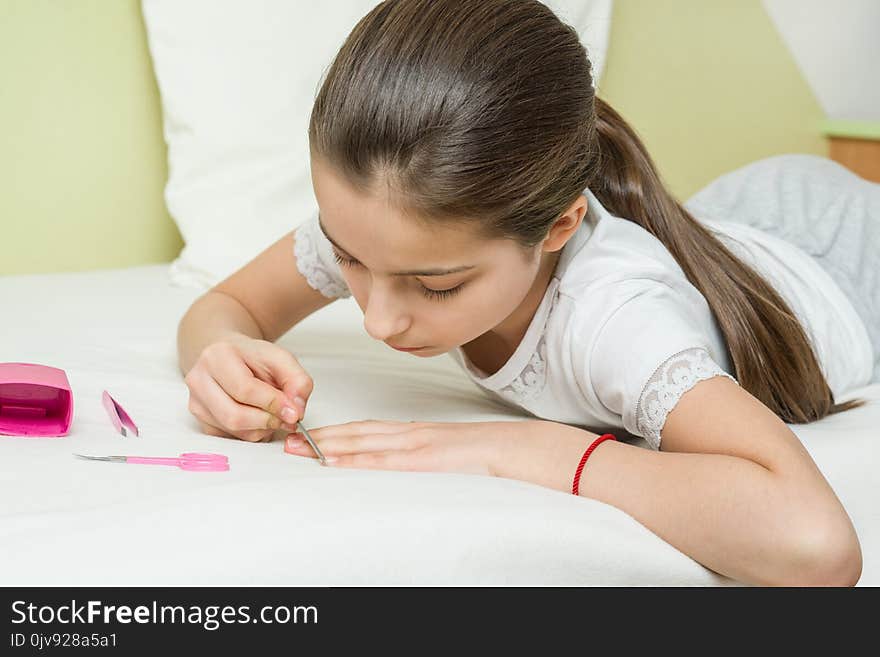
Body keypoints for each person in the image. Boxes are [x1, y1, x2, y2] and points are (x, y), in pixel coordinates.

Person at [177, 0, 875, 586]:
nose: (379, 320)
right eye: (349, 258)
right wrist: (222, 356)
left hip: (847, 257)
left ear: (560, 224)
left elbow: (818, 544)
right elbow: (225, 307)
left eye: (436, 285)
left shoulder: (615, 320)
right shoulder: (393, 227)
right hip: (739, 227)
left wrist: (524, 449)